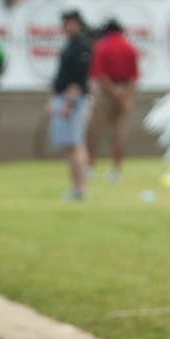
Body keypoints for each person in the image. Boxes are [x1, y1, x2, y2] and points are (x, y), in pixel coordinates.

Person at [86, 19, 139, 182]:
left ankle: (90, 167)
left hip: (106, 93)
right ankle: (116, 170)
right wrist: (125, 97)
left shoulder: (102, 47)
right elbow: (134, 77)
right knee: (119, 134)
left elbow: (100, 75)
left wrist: (115, 93)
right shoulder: (130, 47)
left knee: (95, 131)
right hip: (124, 92)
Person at [49, 10, 93, 201]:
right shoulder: (71, 45)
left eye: (69, 23)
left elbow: (79, 78)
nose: (66, 27)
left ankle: (80, 188)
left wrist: (69, 102)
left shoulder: (81, 46)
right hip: (65, 97)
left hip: (73, 99)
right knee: (70, 145)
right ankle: (76, 188)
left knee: (76, 144)